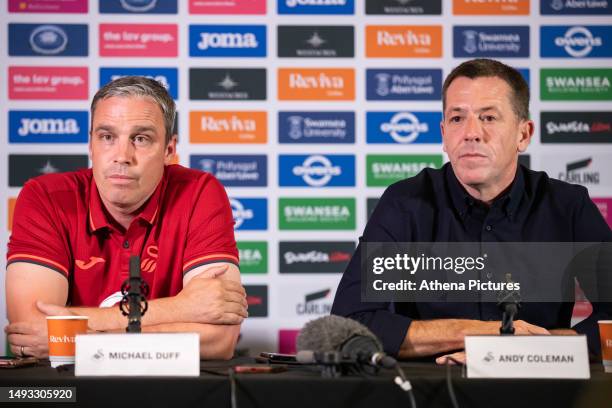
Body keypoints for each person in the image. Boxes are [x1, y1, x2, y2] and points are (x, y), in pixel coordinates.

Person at [331, 58, 612, 364]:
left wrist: (530, 349)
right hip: (429, 392)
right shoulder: (404, 204)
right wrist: (494, 334)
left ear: (524, 134)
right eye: (457, 119)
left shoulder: (567, 204)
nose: (471, 133)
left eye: (488, 118)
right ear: (443, 134)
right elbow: (350, 325)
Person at [5, 76, 247, 360]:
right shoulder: (45, 197)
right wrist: (181, 308)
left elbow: (218, 340)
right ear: (90, 145)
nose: (122, 156)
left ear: (169, 150)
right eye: (107, 137)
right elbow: (31, 328)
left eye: (141, 139)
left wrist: (83, 339)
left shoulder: (200, 192)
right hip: (69, 394)